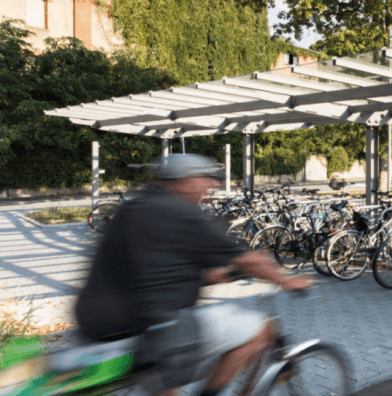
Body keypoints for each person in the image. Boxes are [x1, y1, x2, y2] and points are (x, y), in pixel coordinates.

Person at [74, 153, 309, 396]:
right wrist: (287, 280)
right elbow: (248, 259)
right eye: (205, 177)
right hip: (155, 328)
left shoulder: (132, 208)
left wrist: (209, 277)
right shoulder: (183, 212)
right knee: (260, 330)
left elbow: (149, 265)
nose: (213, 184)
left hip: (97, 325)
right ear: (183, 181)